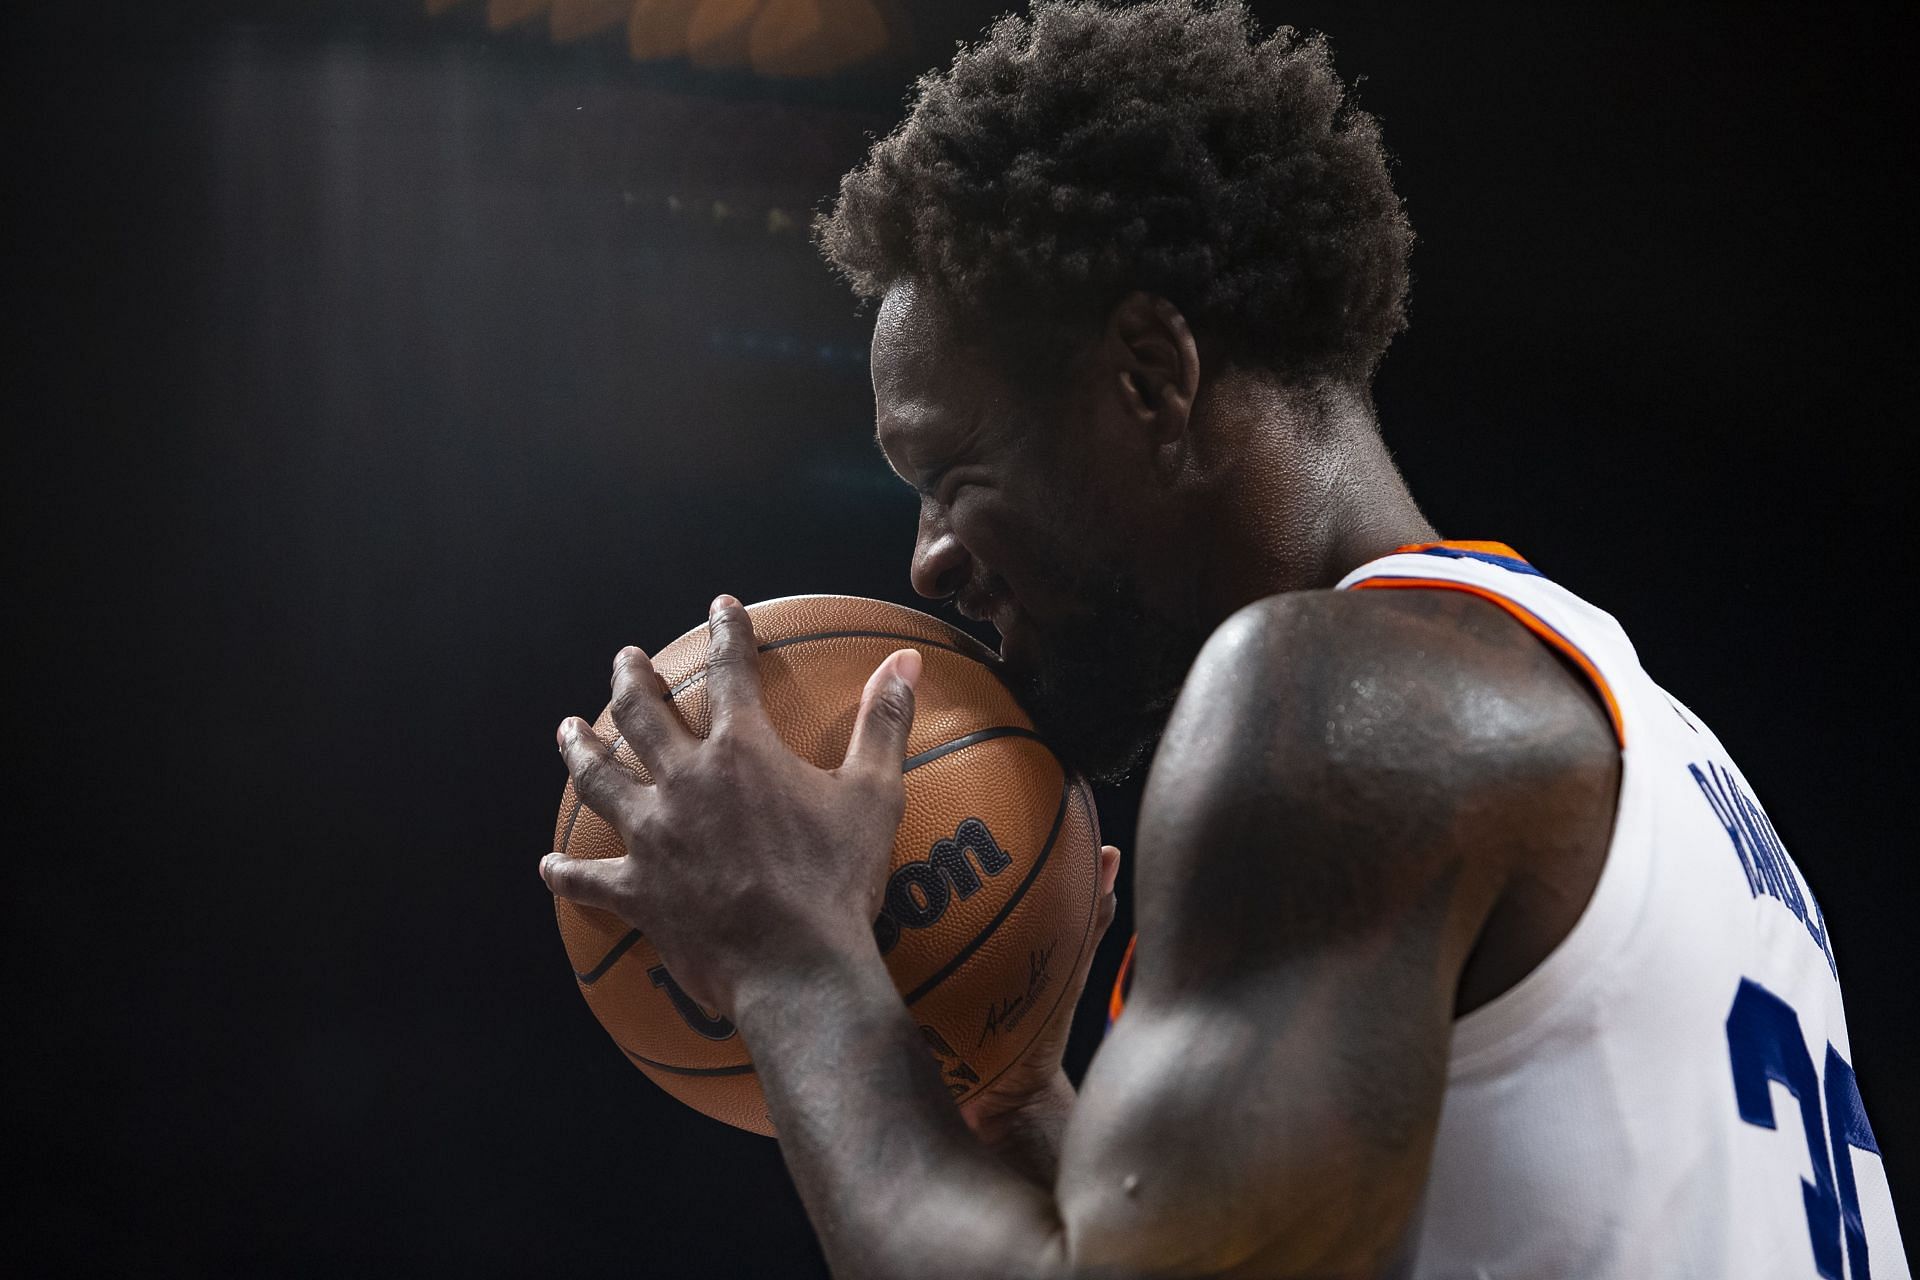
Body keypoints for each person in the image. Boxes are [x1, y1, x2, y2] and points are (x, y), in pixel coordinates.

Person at [541, 3, 1906, 1275]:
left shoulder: (1326, 704)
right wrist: (1015, 1098)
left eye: (953, 475)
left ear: (1153, 375)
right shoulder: (1638, 731)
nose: (928, 559)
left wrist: (790, 956)